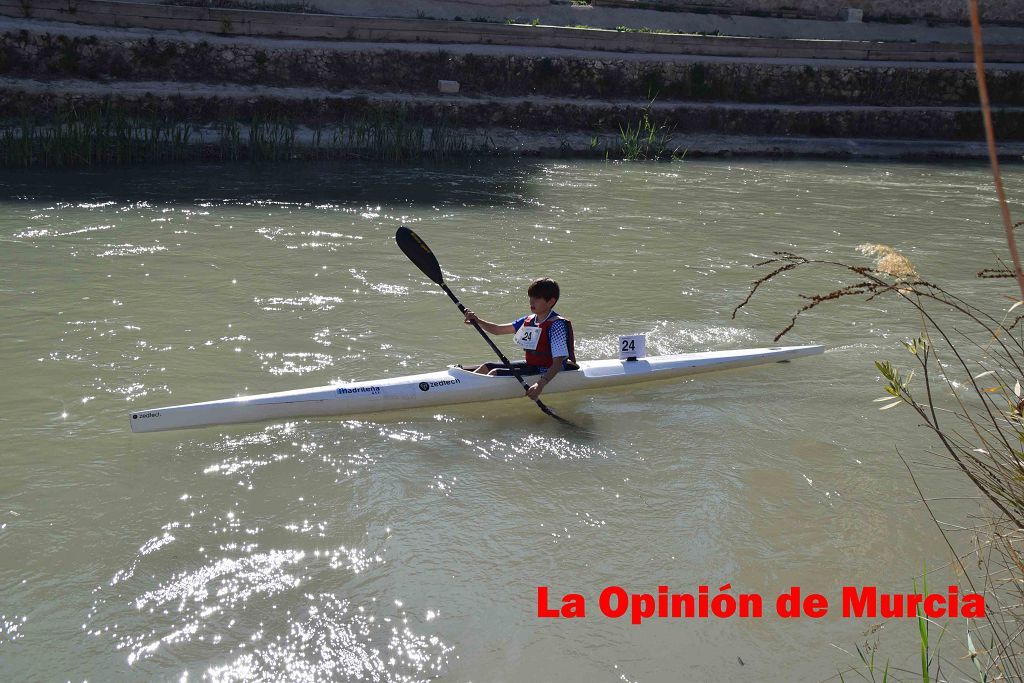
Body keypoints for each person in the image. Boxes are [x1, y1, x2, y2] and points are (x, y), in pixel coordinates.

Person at [462, 277, 577, 400]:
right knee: (486, 366)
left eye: (537, 298)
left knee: (495, 373)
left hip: (547, 369)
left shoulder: (556, 325)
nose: (532, 301)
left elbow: (558, 363)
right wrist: (478, 321)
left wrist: (540, 384)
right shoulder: (529, 319)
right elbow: (497, 330)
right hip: (532, 365)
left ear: (550, 302)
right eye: (531, 297)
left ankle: (469, 396)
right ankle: (461, 390)